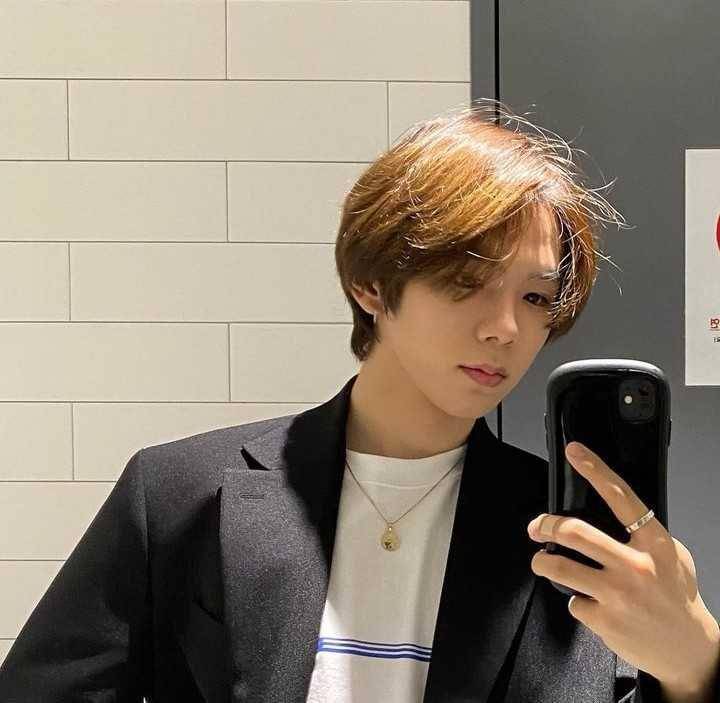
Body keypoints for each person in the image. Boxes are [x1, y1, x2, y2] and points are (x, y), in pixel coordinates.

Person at [0, 99, 675, 702]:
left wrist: (696, 666)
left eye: (534, 296)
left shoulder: (562, 538)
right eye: (467, 280)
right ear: (370, 284)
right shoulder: (180, 494)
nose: (505, 327)